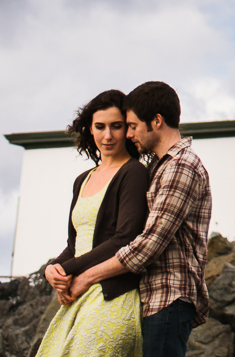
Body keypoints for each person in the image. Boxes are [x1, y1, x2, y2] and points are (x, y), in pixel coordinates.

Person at [67, 81, 211, 357]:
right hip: (153, 298)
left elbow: (147, 246)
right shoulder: (160, 165)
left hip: (169, 296)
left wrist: (85, 277)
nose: (129, 134)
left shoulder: (181, 166)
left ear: (156, 121)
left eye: (131, 126)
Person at [35, 90, 151, 357]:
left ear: (128, 130)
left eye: (116, 126)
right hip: (79, 293)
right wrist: (51, 269)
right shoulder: (82, 179)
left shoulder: (133, 172)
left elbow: (125, 239)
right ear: (90, 129)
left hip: (111, 295)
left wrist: (65, 269)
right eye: (100, 127)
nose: (107, 135)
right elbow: (74, 243)